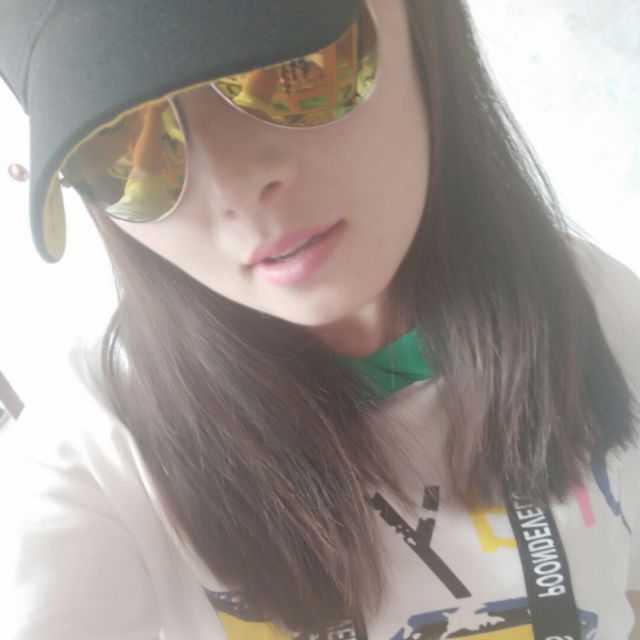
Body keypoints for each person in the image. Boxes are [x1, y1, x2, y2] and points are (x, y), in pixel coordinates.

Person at [0, 1, 639, 638]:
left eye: (285, 67)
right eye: (120, 146)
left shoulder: (593, 300)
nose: (235, 186)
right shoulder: (95, 454)